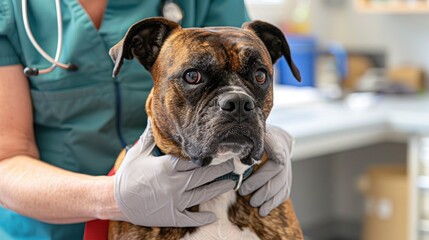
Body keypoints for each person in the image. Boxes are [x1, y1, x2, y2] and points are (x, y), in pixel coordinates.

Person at [0, 0, 294, 239]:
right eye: (193, 76)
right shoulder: (11, 9)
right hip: (50, 227)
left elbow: (235, 50)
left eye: (257, 77)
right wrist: (112, 198)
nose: (236, 100)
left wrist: (259, 130)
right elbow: (5, 159)